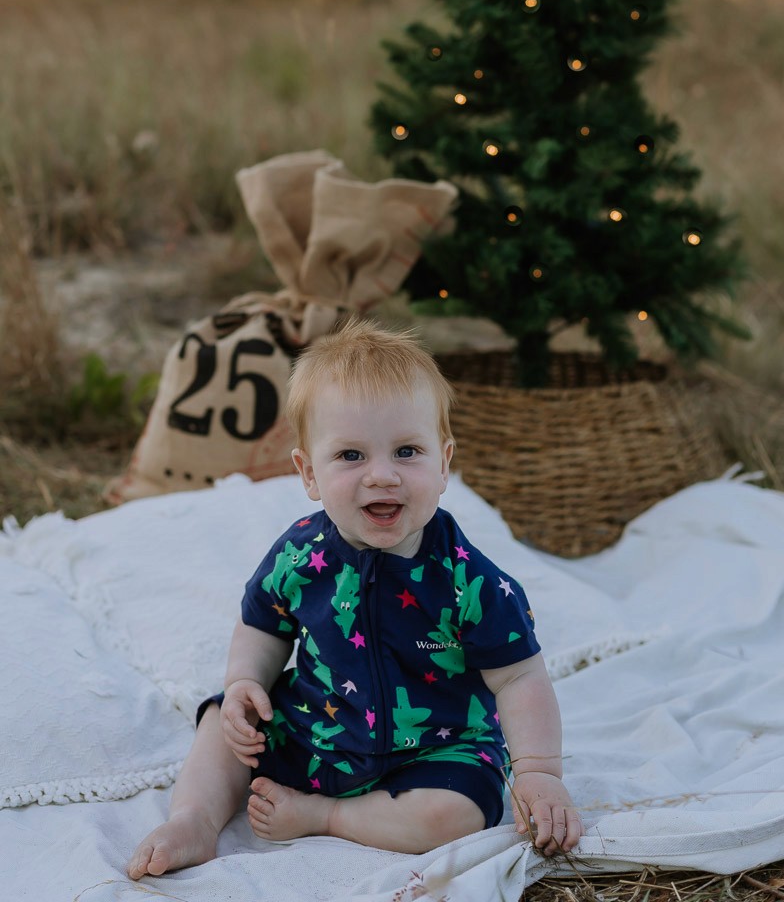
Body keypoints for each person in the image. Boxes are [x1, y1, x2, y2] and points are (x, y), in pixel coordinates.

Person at [127, 317, 583, 880]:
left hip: (435, 750)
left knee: (457, 814)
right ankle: (194, 819)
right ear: (308, 472)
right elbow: (263, 624)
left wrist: (539, 771)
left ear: (444, 465)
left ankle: (329, 816)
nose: (382, 476)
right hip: (315, 729)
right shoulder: (301, 554)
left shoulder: (470, 580)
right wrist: (245, 679)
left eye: (407, 451)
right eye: (351, 456)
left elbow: (519, 678)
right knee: (223, 720)